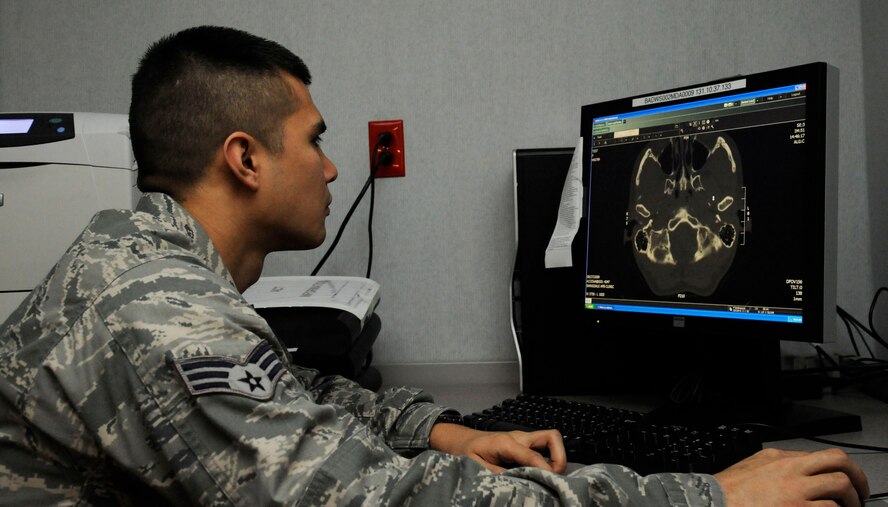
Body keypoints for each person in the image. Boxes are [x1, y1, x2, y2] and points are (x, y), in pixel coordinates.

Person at [0, 25, 869, 506]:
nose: (334, 167)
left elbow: (294, 396)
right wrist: (708, 500)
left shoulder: (148, 263)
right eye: (315, 139)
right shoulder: (166, 317)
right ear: (245, 158)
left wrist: (445, 430)